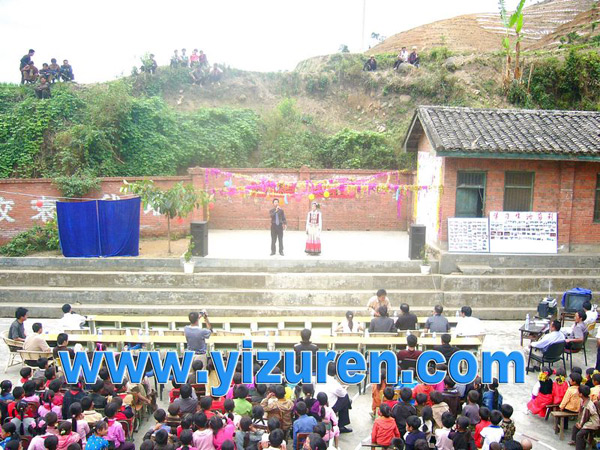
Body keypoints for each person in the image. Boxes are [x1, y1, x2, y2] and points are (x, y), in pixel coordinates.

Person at [314, 364, 352, 433]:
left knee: (342, 397)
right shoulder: (335, 384)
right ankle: (341, 425)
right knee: (346, 398)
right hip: (328, 407)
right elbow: (343, 394)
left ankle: (348, 405)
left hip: (317, 405)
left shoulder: (319, 378)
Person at [569, 385, 599, 449]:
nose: (577, 392)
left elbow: (585, 417)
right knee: (575, 426)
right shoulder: (583, 400)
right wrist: (579, 422)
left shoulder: (588, 405)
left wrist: (581, 425)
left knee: (579, 434)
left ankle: (579, 448)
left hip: (593, 423)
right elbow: (581, 414)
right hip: (588, 421)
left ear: (581, 394)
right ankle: (575, 441)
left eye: (578, 392)